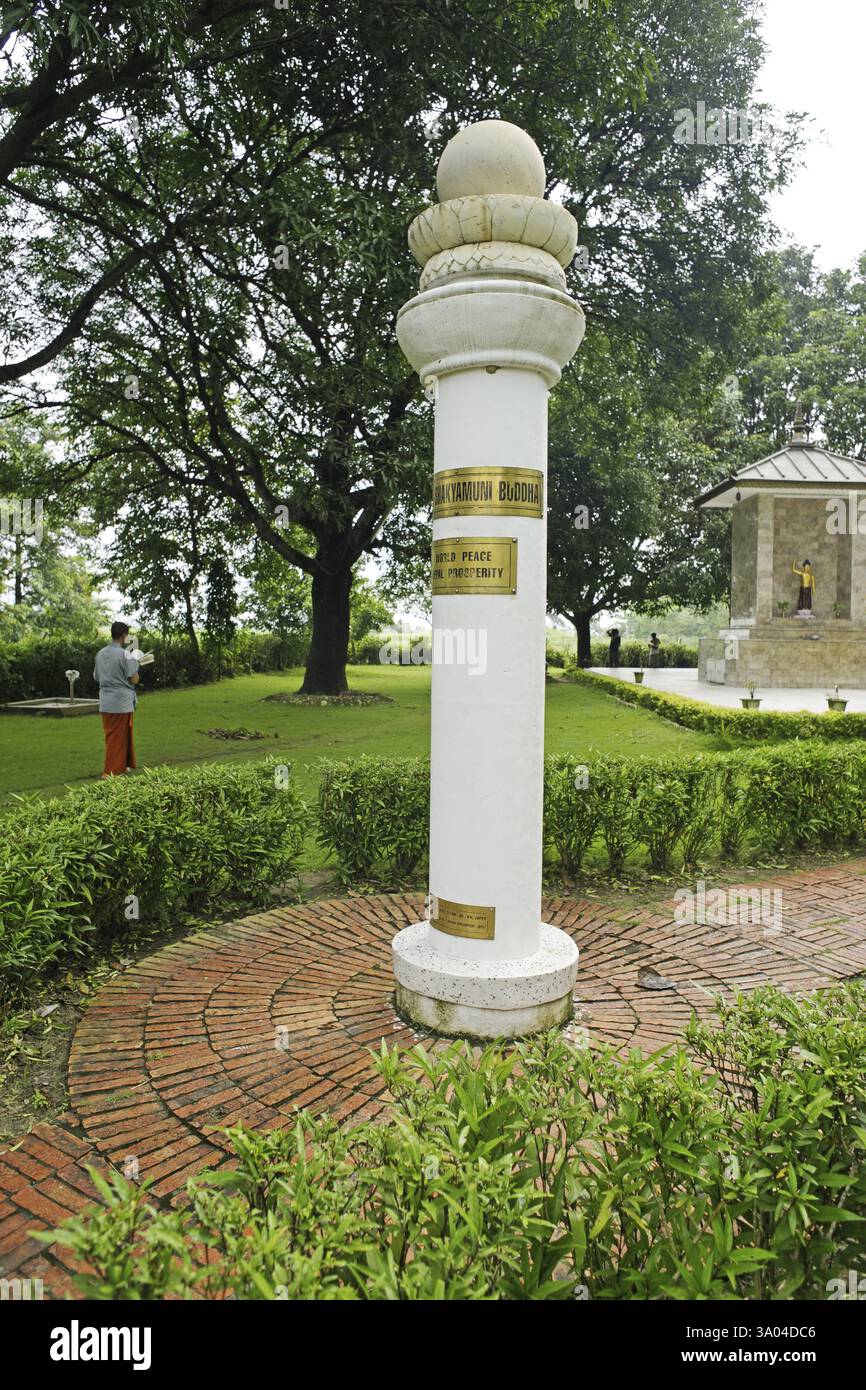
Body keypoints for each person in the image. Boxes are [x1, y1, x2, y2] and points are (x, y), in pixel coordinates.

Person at [93, 621, 140, 777]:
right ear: (123, 636)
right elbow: (133, 679)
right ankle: (111, 770)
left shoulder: (100, 653)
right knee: (117, 736)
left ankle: (124, 764)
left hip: (106, 699)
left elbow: (96, 676)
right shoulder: (125, 654)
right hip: (121, 701)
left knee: (115, 734)